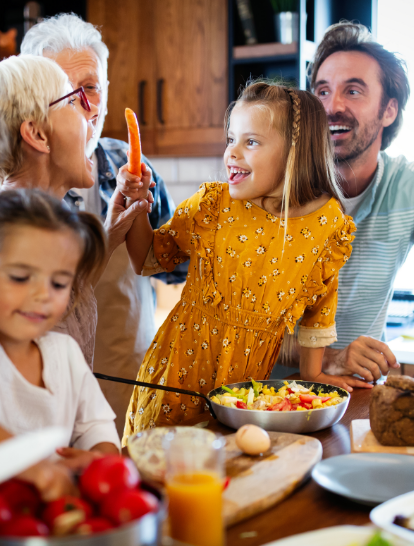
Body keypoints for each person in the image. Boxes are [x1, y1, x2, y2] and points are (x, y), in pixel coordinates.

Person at [118, 80, 361, 440]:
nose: (232, 153)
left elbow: (318, 311)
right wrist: (138, 204)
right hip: (173, 382)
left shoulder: (328, 226)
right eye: (231, 139)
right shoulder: (215, 205)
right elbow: (148, 258)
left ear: (295, 151)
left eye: (251, 142)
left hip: (245, 399)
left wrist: (314, 375)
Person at [21, 15, 187, 436]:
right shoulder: (18, 196)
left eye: (92, 88)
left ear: (108, 94)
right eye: (65, 91)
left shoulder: (130, 165)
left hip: (127, 387)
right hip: (40, 400)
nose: (84, 107)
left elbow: (173, 267)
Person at [0, 54, 147, 372]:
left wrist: (110, 235)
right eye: (74, 101)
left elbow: (62, 304)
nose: (92, 110)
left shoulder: (46, 222)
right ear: (38, 135)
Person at [309, 22, 412, 383]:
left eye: (353, 91)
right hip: (270, 399)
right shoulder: (277, 191)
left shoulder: (405, 186)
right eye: (322, 91)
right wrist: (332, 358)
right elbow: (242, 326)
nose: (332, 106)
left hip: (359, 401)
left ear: (388, 110)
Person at [0, 188, 120, 456]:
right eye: (20, 277)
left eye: (59, 283)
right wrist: (34, 468)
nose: (43, 295)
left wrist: (98, 458)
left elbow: (95, 427)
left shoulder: (64, 352)